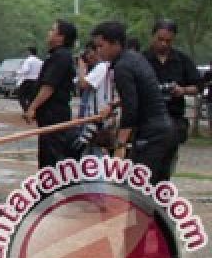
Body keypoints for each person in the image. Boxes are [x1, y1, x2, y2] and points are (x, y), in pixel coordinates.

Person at [91, 21, 177, 184]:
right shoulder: (135, 58)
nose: (98, 51)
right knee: (156, 192)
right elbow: (138, 95)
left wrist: (120, 144)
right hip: (166, 132)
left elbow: (131, 108)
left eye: (101, 46)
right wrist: (113, 105)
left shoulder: (123, 67)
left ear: (115, 43)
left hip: (153, 136)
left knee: (138, 190)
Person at [142, 19, 201, 175]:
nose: (164, 44)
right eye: (160, 39)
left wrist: (182, 90)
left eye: (168, 41)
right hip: (147, 119)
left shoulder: (182, 60)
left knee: (165, 162)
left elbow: (197, 86)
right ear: (153, 36)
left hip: (173, 117)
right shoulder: (142, 60)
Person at [23, 20, 78, 167]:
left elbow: (49, 86)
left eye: (52, 30)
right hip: (49, 114)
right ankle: (47, 186)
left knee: (51, 155)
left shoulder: (61, 57)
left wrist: (32, 107)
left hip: (54, 114)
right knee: (46, 153)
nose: (49, 32)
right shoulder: (56, 55)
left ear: (61, 37)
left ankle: (50, 187)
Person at [72, 41, 115, 155]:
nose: (87, 57)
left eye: (89, 52)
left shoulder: (102, 66)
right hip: (93, 119)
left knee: (95, 156)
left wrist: (81, 66)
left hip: (97, 119)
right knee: (89, 155)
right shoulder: (101, 67)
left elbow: (83, 84)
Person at [15, 47, 43, 113]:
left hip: (28, 81)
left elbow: (25, 70)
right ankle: (33, 111)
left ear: (29, 52)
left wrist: (17, 72)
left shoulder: (28, 60)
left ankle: (27, 110)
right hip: (37, 81)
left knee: (20, 95)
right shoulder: (40, 61)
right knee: (32, 97)